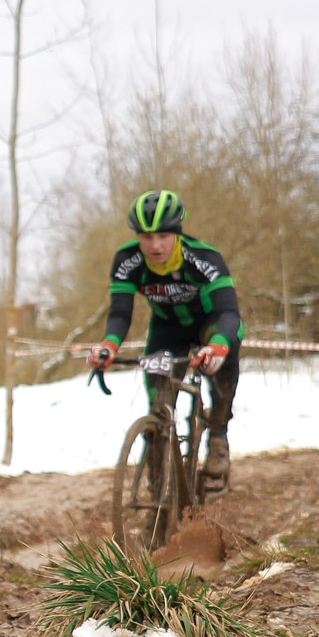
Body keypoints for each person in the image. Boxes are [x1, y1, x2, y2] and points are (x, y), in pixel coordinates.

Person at [87, 189, 243, 494]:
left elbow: (228, 311)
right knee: (159, 406)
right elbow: (120, 313)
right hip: (167, 329)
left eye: (162, 236)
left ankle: (218, 437)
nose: (154, 245)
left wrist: (219, 345)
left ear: (177, 233)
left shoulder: (203, 258)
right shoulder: (127, 260)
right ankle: (158, 496)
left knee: (223, 357)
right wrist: (109, 345)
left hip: (209, 324)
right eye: (146, 237)